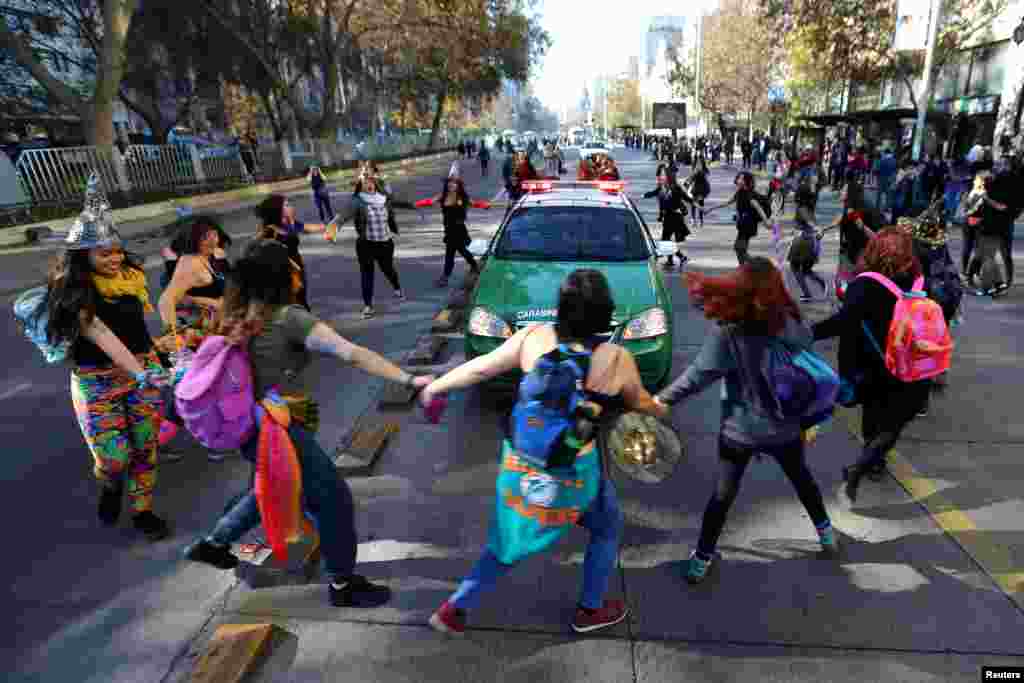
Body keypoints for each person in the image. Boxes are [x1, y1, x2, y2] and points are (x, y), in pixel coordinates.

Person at [184, 239, 433, 606]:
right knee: (333, 501)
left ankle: (214, 542)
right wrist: (409, 379)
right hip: (281, 430)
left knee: (274, 485)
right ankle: (343, 584)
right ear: (284, 274)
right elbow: (352, 354)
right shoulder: (289, 318)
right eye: (291, 265)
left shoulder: (234, 313)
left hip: (250, 428)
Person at [421, 269, 667, 636]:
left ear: (561, 308)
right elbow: (643, 404)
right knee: (606, 526)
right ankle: (590, 609)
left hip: (522, 466)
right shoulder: (617, 358)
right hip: (573, 472)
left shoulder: (532, 338)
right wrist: (662, 408)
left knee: (507, 541)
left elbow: (479, 369)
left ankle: (454, 608)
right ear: (605, 314)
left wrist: (435, 387)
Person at [654, 257, 837, 584]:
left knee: (722, 495)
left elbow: (698, 376)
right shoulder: (788, 321)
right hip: (786, 426)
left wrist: (660, 401)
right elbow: (806, 342)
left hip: (740, 431)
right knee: (801, 478)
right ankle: (826, 534)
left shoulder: (729, 331)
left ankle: (701, 558)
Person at [44, 180, 171, 541]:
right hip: (96, 382)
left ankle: (143, 511)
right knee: (115, 457)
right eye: (104, 254)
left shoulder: (131, 280)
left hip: (141, 373)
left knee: (146, 447)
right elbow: (99, 332)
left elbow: (138, 331)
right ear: (83, 256)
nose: (114, 259)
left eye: (117, 251)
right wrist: (140, 371)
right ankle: (112, 482)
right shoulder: (72, 292)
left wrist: (160, 359)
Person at [812, 229, 930, 499]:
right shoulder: (918, 281)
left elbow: (844, 323)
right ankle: (874, 458)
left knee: (874, 414)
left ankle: (870, 460)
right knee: (894, 421)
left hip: (874, 365)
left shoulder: (864, 284)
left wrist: (808, 333)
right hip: (913, 363)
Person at [253, 194, 334, 311]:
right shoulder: (270, 230)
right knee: (293, 300)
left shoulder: (289, 224)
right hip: (283, 271)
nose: (291, 206)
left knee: (301, 296)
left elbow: (308, 227)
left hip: (297, 267)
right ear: (278, 209)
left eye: (289, 204)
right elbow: (257, 247)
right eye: (286, 205)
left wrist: (330, 226)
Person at [427, 168, 484, 287]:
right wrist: (416, 204)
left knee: (451, 253)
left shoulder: (462, 197)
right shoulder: (442, 196)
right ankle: (475, 266)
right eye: (450, 183)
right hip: (448, 229)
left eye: (454, 183)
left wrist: (485, 205)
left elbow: (475, 203)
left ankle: (445, 277)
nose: (451, 185)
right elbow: (430, 202)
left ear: (458, 185)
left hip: (458, 229)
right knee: (460, 251)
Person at [704, 171, 770, 265]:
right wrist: (710, 209)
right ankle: (746, 267)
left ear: (746, 181)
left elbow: (757, 207)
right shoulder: (740, 192)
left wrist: (766, 221)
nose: (739, 180)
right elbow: (727, 203)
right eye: (738, 178)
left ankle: (757, 265)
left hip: (748, 225)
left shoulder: (748, 194)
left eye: (741, 178)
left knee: (739, 248)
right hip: (743, 224)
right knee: (739, 248)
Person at [962, 171, 1010, 295]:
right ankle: (994, 284)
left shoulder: (986, 195)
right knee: (985, 257)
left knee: (984, 257)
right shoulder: (980, 194)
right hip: (989, 230)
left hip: (988, 231)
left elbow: (1001, 208)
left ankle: (991, 284)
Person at [644, 164, 694, 270]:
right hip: (667, 217)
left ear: (668, 176)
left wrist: (699, 206)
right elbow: (653, 193)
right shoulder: (661, 187)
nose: (661, 177)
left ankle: (679, 258)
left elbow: (687, 198)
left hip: (675, 217)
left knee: (666, 240)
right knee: (667, 240)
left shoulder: (675, 188)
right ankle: (674, 259)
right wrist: (644, 195)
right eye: (660, 175)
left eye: (663, 175)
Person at [788, 178, 827, 302]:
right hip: (809, 240)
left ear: (799, 195)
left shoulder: (802, 208)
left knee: (794, 266)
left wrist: (817, 228)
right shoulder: (809, 205)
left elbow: (809, 222)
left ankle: (807, 293)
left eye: (796, 191)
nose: (794, 193)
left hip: (802, 240)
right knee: (805, 269)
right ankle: (821, 283)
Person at [685, 158, 711, 226]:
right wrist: (687, 183)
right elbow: (691, 178)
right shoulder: (695, 170)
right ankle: (693, 219)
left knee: (700, 204)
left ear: (702, 164)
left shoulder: (704, 171)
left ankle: (700, 220)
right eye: (697, 163)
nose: (698, 165)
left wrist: (700, 171)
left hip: (702, 189)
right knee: (693, 204)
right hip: (695, 189)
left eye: (700, 163)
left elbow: (706, 176)